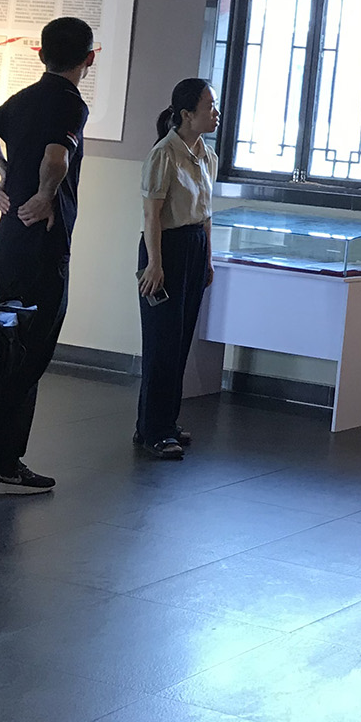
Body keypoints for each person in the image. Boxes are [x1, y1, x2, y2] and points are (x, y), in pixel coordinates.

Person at [0, 17, 95, 495]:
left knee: (9, 338)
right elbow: (57, 157)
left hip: (11, 237)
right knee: (29, 351)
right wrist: (45, 194)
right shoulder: (70, 102)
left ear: (40, 54)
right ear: (89, 59)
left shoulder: (27, 96)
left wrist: (7, 174)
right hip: (42, 240)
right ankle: (1, 464)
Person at [135, 78, 219, 459]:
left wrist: (208, 259)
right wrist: (154, 264)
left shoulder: (206, 156)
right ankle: (153, 430)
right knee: (161, 344)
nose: (215, 113)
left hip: (194, 247)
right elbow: (151, 215)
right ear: (187, 114)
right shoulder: (164, 154)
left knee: (181, 340)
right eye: (209, 107)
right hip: (166, 248)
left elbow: (206, 215)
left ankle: (162, 423)